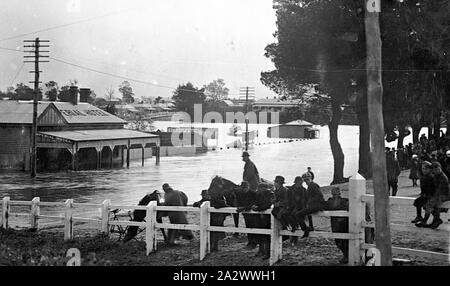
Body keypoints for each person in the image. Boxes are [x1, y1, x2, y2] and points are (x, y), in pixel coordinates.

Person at [292, 172, 325, 238]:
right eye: (305, 180)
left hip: (316, 206)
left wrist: (310, 201)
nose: (306, 181)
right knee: (303, 213)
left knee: (298, 214)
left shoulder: (314, 185)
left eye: (307, 179)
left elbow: (320, 196)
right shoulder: (310, 186)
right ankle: (310, 227)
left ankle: (305, 229)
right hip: (312, 206)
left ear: (311, 178)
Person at [419, 162, 450, 229]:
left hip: (444, 195)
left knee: (429, 205)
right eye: (435, 170)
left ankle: (432, 220)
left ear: (440, 168)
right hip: (439, 195)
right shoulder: (436, 176)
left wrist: (433, 197)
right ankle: (436, 220)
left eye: (438, 169)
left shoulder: (443, 177)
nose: (436, 171)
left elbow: (440, 190)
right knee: (427, 204)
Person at [324, 187, 349, 264]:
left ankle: (347, 256)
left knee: (345, 241)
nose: (334, 195)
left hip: (343, 224)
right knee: (337, 241)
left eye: (336, 193)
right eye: (333, 193)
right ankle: (345, 255)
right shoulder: (330, 201)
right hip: (334, 224)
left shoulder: (345, 201)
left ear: (339, 193)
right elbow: (325, 206)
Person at [251, 182, 274, 259]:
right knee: (260, 234)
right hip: (260, 217)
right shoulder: (258, 194)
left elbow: (268, 204)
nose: (259, 190)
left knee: (267, 235)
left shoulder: (270, 194)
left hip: (268, 217)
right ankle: (261, 250)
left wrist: (257, 208)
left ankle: (267, 253)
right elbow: (255, 202)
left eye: (260, 188)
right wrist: (254, 206)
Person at [236, 181, 258, 249]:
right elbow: (238, 202)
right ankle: (250, 241)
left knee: (253, 226)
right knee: (248, 226)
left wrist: (244, 207)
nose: (245, 189)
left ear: (248, 187)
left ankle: (254, 242)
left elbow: (254, 202)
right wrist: (239, 207)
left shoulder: (253, 193)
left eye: (246, 187)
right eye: (243, 188)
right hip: (246, 213)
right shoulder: (240, 194)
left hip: (253, 213)